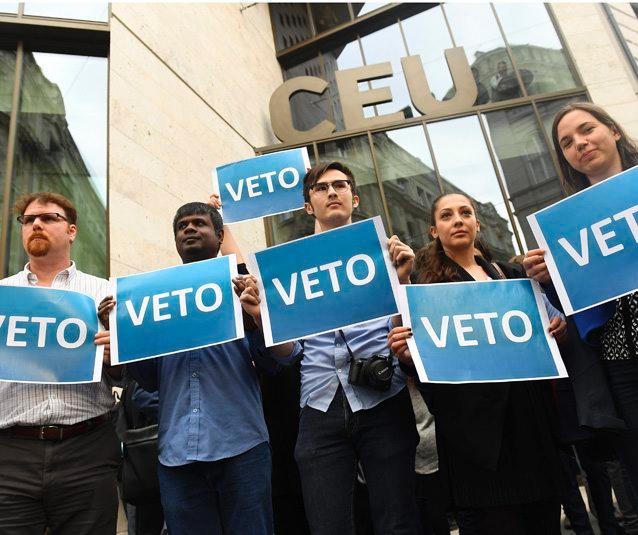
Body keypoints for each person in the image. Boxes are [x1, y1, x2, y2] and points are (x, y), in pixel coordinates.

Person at [238, 162, 421, 535]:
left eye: (340, 185)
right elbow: (290, 354)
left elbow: (403, 331)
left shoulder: (386, 252)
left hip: (383, 397)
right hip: (319, 406)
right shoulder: (287, 267)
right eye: (321, 188)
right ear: (309, 206)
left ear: (355, 198)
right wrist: (260, 317)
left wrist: (403, 282)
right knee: (327, 525)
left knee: (398, 521)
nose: (332, 192)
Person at [99, 201, 301, 535]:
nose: (189, 229)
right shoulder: (155, 302)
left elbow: (283, 359)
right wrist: (123, 337)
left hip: (241, 447)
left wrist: (256, 317)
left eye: (198, 223)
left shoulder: (246, 290)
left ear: (220, 236)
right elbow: (147, 380)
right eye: (182, 226)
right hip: (177, 455)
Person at [388, 192, 567, 535]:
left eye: (465, 212)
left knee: (544, 522)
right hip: (473, 437)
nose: (458, 220)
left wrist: (557, 329)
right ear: (433, 231)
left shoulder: (512, 275)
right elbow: (420, 362)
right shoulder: (424, 288)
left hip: (529, 425)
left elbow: (551, 328)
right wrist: (407, 356)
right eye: (446, 215)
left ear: (477, 223)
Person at [524, 102, 638, 496]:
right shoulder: (566, 225)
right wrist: (549, 279)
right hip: (620, 365)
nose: (580, 143)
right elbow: (578, 306)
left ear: (614, 131)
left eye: (587, 130)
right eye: (567, 142)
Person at [0, 192, 121, 535]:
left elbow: (129, 375)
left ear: (71, 231)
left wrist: (114, 357)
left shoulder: (106, 293)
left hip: (87, 451)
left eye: (48, 218)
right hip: (10, 454)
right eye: (28, 220)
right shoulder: (2, 295)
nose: (36, 224)